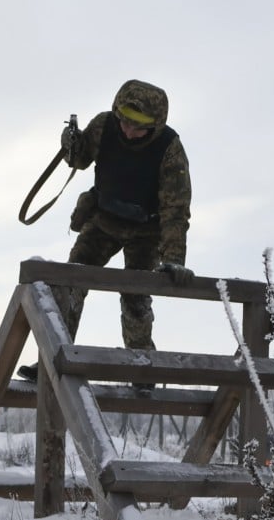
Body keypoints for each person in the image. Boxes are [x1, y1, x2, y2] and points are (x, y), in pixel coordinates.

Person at [18, 79, 194, 393]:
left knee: (136, 295)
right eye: (124, 121)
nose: (127, 131)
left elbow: (176, 209)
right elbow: (80, 158)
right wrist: (71, 142)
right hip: (104, 220)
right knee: (71, 282)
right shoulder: (104, 125)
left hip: (146, 230)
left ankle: (142, 367)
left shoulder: (170, 149)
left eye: (137, 127)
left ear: (155, 125)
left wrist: (173, 260)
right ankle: (53, 354)